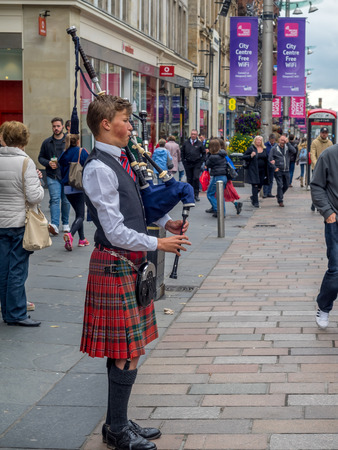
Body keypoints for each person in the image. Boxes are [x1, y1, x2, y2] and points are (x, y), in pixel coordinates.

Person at [79, 95, 190, 450]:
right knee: (127, 348)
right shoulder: (98, 167)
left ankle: (117, 422)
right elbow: (113, 229)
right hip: (115, 261)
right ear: (106, 124)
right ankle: (116, 429)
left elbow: (134, 206)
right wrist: (158, 245)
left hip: (127, 263)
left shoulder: (121, 159)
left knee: (129, 348)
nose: (131, 126)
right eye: (126, 120)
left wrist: (162, 222)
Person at [0, 121, 43, 327]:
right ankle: (16, 313)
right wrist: (39, 184)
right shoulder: (26, 163)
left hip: (0, 223)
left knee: (3, 269)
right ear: (24, 140)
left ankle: (7, 311)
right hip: (19, 223)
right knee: (18, 269)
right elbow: (34, 197)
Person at [310, 143, 338, 330]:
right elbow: (317, 186)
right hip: (335, 220)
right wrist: (328, 213)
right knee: (336, 269)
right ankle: (324, 306)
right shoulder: (329, 154)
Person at [38, 117, 70, 236]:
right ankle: (55, 225)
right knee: (55, 200)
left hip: (66, 175)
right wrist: (48, 163)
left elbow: (75, 154)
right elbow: (40, 157)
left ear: (62, 127)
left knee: (66, 201)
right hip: (52, 176)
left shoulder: (68, 140)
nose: (56, 128)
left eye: (58, 126)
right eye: (54, 126)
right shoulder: (47, 142)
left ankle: (66, 223)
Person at [58, 134, 90, 251]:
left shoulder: (64, 154)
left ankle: (82, 239)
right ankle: (70, 235)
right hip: (78, 187)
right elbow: (89, 167)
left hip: (67, 188)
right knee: (81, 215)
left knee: (78, 213)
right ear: (77, 141)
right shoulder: (82, 151)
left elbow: (60, 169)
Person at [268, 135, 297, 207]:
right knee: (280, 185)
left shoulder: (287, 147)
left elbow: (294, 151)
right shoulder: (274, 148)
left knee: (286, 185)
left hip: (286, 170)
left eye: (284, 140)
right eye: (281, 140)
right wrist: (274, 167)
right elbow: (270, 159)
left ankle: (279, 195)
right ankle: (280, 200)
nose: (283, 142)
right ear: (278, 140)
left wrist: (288, 143)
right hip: (278, 170)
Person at [243, 135, 270, 208]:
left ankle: (253, 197)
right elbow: (244, 156)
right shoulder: (251, 148)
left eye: (260, 140)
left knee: (260, 185)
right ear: (255, 141)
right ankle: (256, 202)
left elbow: (266, 158)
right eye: (257, 140)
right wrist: (251, 156)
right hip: (253, 170)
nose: (258, 141)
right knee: (255, 185)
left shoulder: (264, 149)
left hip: (262, 170)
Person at [310, 127, 333, 211]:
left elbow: (331, 155)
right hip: (316, 168)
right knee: (317, 186)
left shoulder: (330, 143)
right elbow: (312, 154)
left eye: (326, 133)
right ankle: (314, 203)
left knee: (326, 186)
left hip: (327, 169)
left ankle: (323, 203)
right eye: (323, 132)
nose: (324, 134)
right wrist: (317, 165)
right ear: (320, 133)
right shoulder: (315, 142)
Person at [181, 129, 206, 201]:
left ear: (197, 135)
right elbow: (182, 152)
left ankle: (196, 194)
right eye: (192, 134)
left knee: (195, 178)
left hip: (196, 164)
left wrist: (201, 161)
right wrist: (184, 161)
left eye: (194, 134)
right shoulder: (186, 143)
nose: (193, 135)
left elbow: (203, 153)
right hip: (188, 164)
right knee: (189, 179)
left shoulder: (199, 143)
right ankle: (190, 194)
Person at [205, 138, 227, 217]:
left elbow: (207, 164)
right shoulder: (223, 154)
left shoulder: (213, 156)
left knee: (210, 194)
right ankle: (222, 212)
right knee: (220, 195)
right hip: (224, 176)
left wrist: (208, 154)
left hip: (217, 177)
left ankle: (218, 210)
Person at [219, 139, 242, 215]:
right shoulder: (224, 154)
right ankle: (236, 204)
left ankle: (235, 204)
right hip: (226, 177)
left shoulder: (222, 155)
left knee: (221, 193)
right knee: (225, 192)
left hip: (223, 176)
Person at [263, 133, 276, 198]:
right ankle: (265, 192)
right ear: (269, 139)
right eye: (272, 140)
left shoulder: (276, 145)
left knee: (271, 179)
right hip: (266, 164)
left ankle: (269, 192)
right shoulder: (265, 145)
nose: (273, 141)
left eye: (274, 140)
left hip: (273, 165)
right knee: (266, 179)